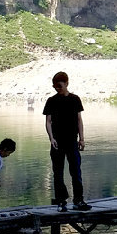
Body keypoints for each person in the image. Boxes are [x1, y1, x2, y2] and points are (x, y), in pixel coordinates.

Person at [43, 71, 91, 212]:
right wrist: (51, 138)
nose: (57, 89)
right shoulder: (51, 101)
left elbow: (79, 120)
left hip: (72, 141)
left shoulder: (75, 99)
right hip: (57, 142)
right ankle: (61, 202)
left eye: (59, 86)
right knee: (58, 173)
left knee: (76, 171)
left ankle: (78, 200)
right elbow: (48, 122)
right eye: (55, 86)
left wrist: (82, 138)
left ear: (66, 83)